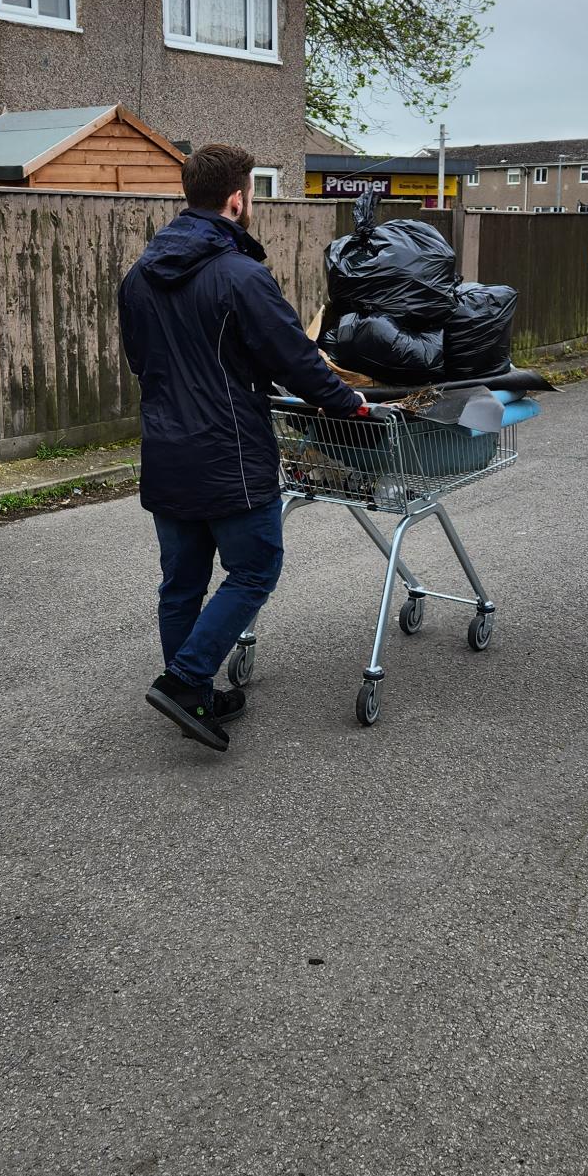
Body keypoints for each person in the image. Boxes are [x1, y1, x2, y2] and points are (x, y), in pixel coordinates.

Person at [118, 143, 369, 751]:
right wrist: (349, 404)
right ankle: (185, 680)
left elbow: (140, 362)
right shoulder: (241, 277)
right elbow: (296, 360)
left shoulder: (138, 277)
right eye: (252, 193)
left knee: (181, 583)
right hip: (230, 455)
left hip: (166, 453)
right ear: (237, 199)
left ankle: (194, 695)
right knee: (255, 568)